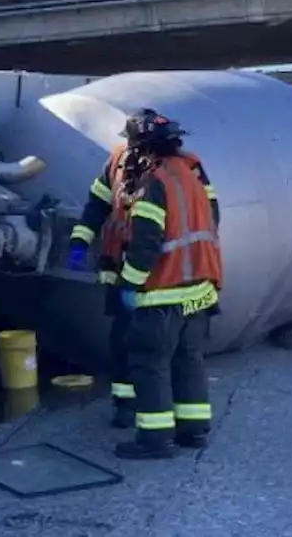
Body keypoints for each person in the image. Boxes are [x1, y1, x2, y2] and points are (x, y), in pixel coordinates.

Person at [112, 109, 223, 461]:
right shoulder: (190, 176)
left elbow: (146, 245)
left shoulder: (152, 183)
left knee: (150, 363)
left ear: (141, 147)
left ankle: (155, 439)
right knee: (188, 360)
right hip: (199, 291)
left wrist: (126, 285)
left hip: (162, 293)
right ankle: (193, 431)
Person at [69, 143, 139, 429]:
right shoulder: (118, 161)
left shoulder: (167, 172)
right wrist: (79, 241)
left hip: (156, 278)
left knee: (152, 345)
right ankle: (125, 406)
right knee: (122, 341)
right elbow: (97, 204)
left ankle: (154, 412)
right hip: (124, 273)